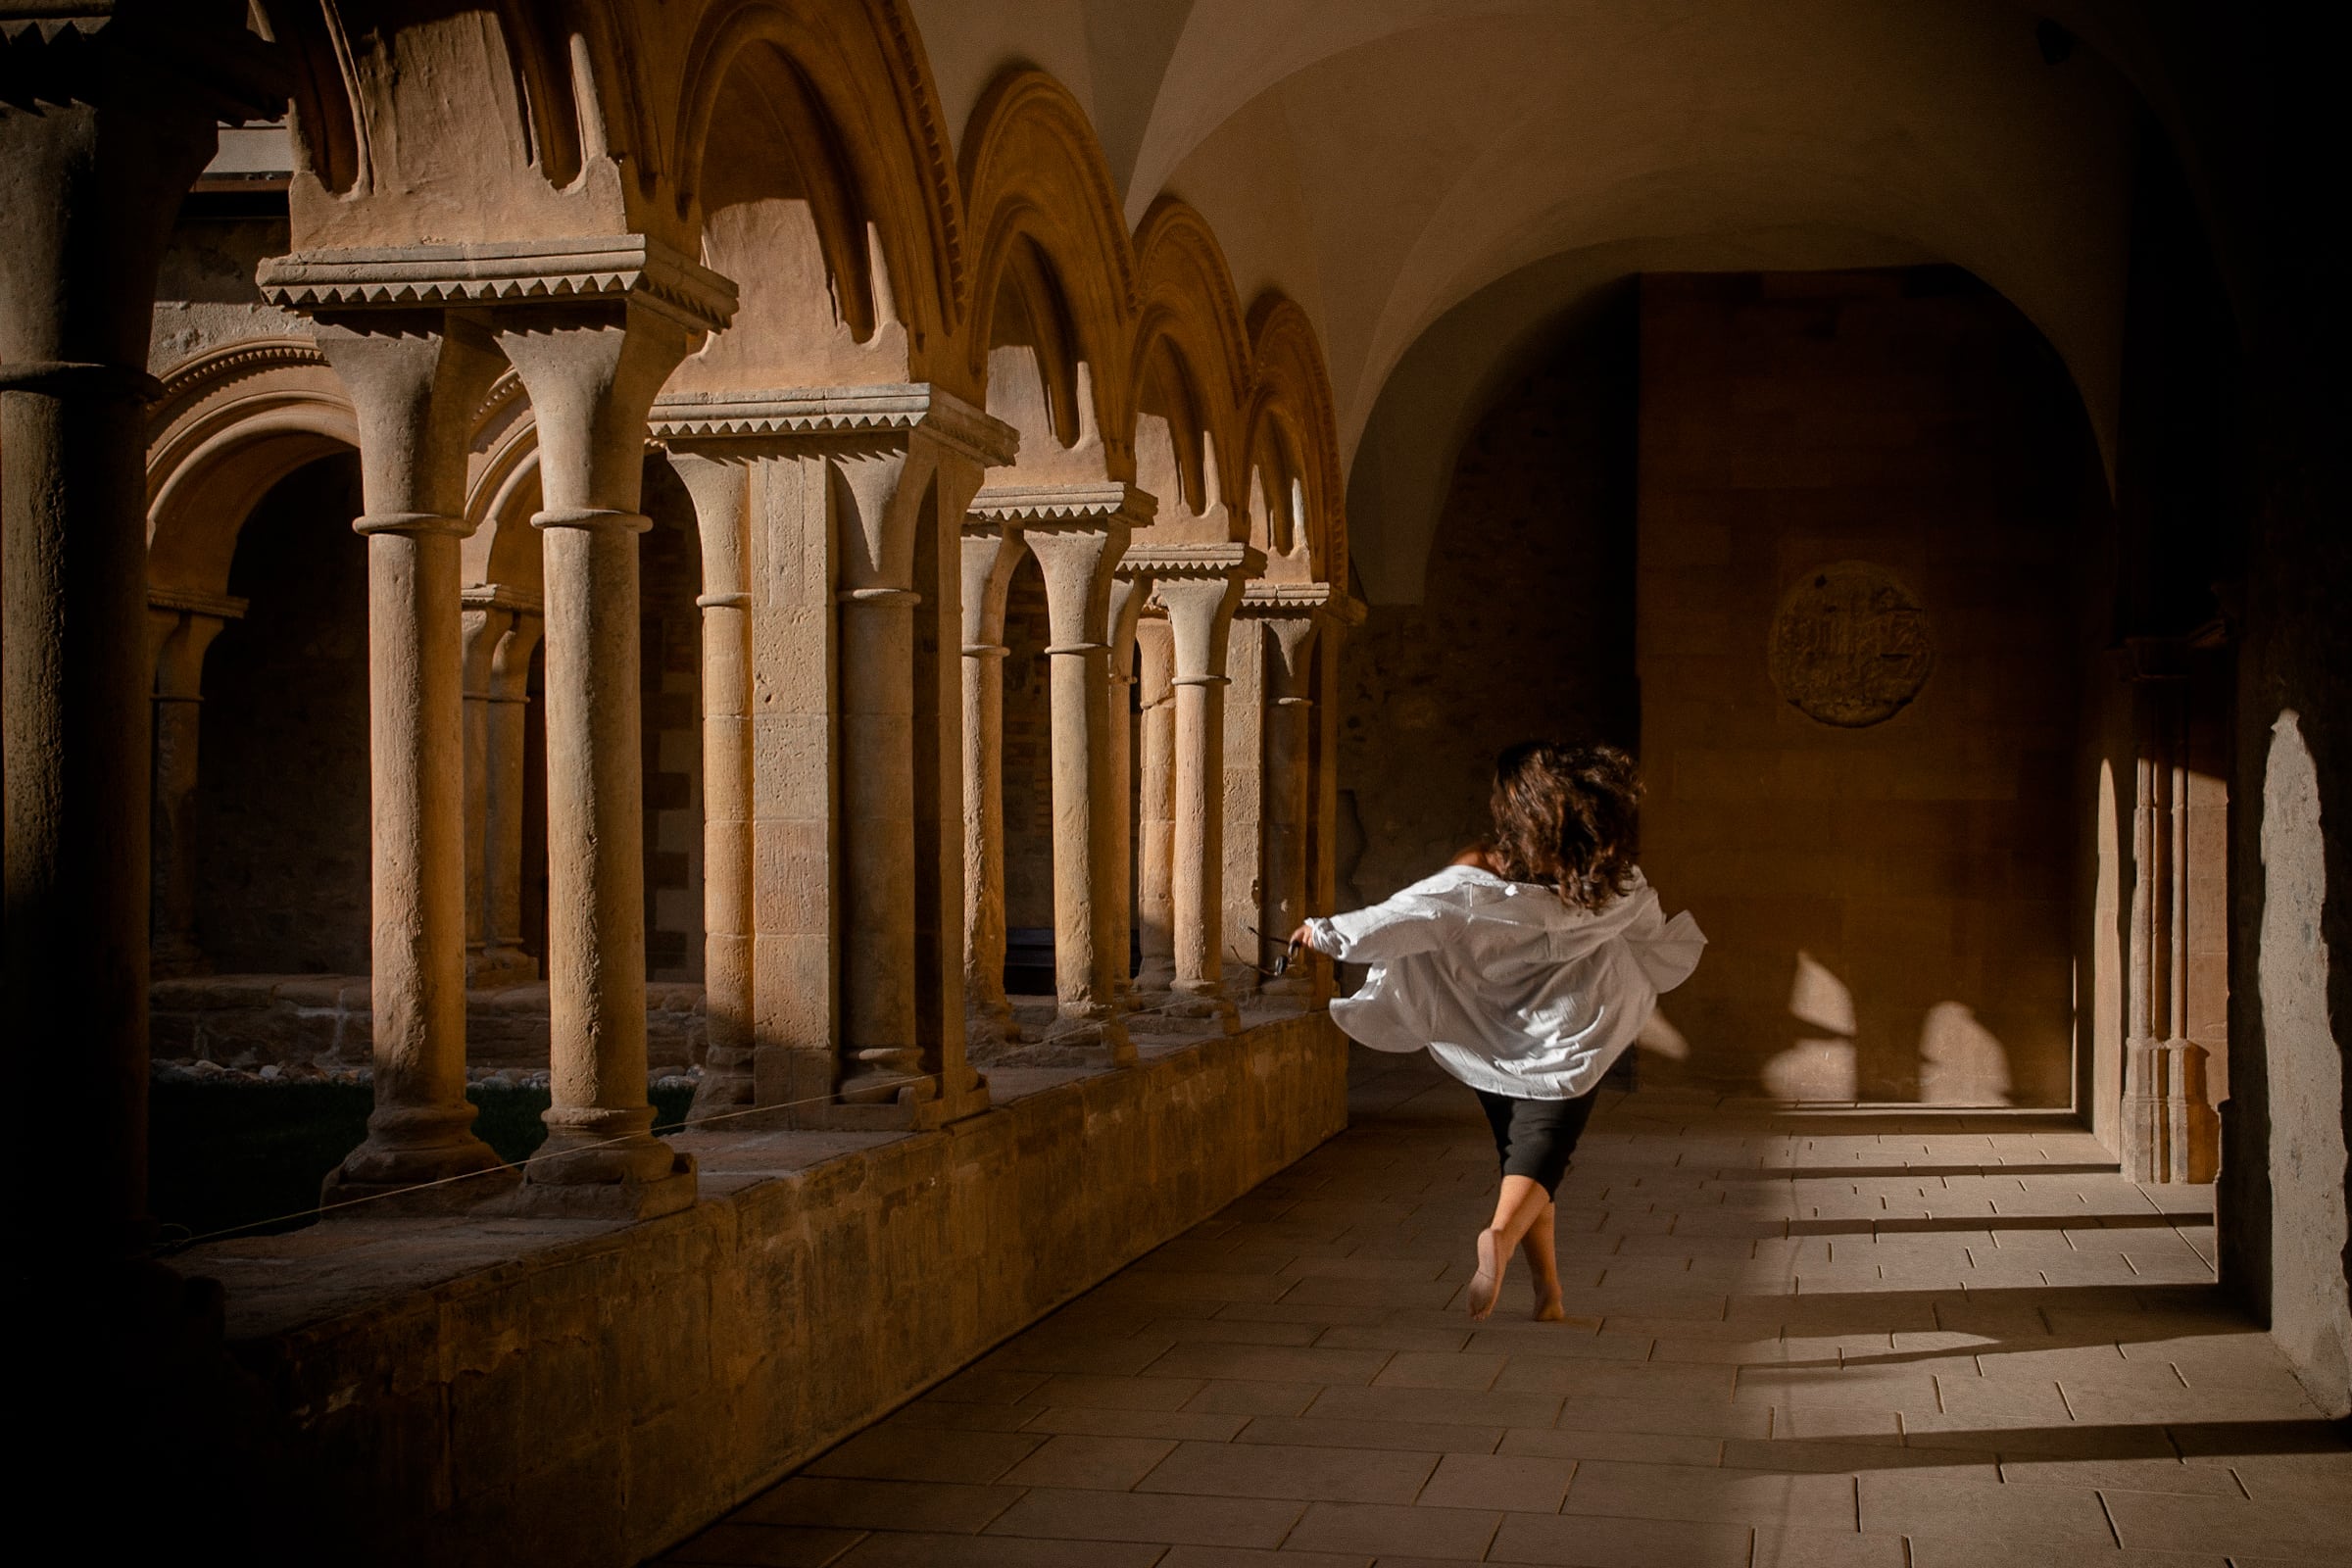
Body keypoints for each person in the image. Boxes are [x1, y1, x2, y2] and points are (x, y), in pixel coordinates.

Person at [1292, 741, 1703, 1321]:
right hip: (1570, 1040)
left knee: (1522, 1159)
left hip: (1487, 1037)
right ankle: (1501, 1237)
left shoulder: (1479, 871)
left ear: (1518, 809)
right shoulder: (1612, 881)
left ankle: (1548, 1294)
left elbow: (1408, 914)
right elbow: (1650, 931)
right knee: (1541, 1159)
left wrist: (1325, 933)